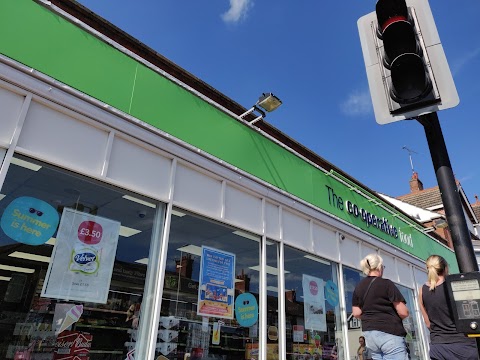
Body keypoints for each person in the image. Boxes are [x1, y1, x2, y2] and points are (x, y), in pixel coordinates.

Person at [419, 255, 478, 360]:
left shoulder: (422, 291)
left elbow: (428, 324)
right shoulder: (454, 286)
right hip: (463, 346)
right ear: (445, 268)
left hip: (438, 348)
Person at [352, 253, 410, 359]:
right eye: (383, 267)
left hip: (370, 336)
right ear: (379, 267)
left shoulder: (358, 287)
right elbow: (403, 312)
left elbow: (356, 313)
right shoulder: (387, 284)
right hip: (390, 332)